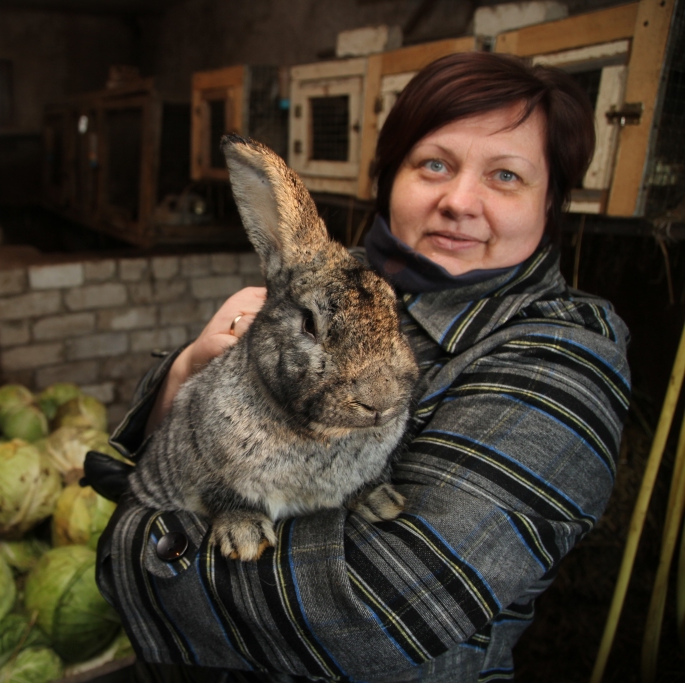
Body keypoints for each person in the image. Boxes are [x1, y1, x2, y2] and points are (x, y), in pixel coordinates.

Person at [91, 52, 631, 683]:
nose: (459, 201)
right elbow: (181, 422)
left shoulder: (561, 355)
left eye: (506, 175)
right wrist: (184, 372)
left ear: (553, 200)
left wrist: (129, 543)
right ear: (391, 174)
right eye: (434, 164)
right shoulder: (338, 275)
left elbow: (377, 612)